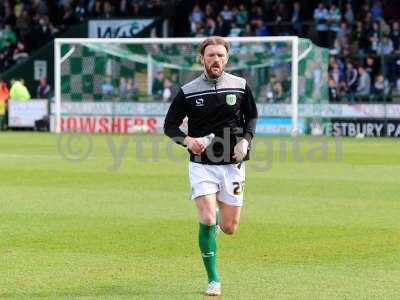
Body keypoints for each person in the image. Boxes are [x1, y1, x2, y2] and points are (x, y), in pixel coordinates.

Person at [164, 36, 258, 296]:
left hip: (233, 164)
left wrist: (246, 142)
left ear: (226, 58)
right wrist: (187, 140)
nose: (216, 60)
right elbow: (169, 126)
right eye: (211, 55)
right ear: (202, 58)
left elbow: (252, 115)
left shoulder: (240, 86)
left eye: (220, 55)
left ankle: (217, 223)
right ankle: (213, 278)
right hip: (202, 164)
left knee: (229, 228)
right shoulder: (188, 90)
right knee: (205, 216)